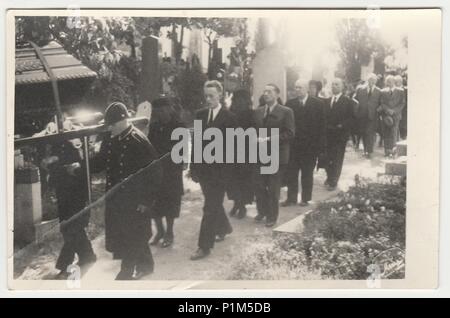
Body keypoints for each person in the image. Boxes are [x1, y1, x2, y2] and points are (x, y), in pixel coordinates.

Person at [90, 102, 161, 280]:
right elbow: (100, 162)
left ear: (122, 121)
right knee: (129, 233)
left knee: (133, 233)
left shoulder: (139, 141)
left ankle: (126, 272)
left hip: (136, 199)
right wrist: (80, 166)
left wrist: (146, 201)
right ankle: (146, 264)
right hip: (117, 199)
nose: (109, 128)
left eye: (112, 124)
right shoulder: (111, 139)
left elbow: (155, 172)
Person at [189, 80, 235, 260]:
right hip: (204, 170)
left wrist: (228, 174)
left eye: (212, 96)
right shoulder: (200, 115)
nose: (208, 99)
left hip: (221, 172)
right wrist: (193, 167)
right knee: (212, 202)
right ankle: (224, 227)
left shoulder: (229, 118)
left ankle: (204, 246)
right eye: (206, 96)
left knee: (209, 207)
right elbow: (196, 143)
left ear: (220, 96)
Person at [47, 139, 96, 279]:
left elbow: (78, 170)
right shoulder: (56, 149)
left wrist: (55, 162)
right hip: (63, 196)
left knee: (72, 230)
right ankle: (88, 255)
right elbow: (53, 176)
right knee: (71, 229)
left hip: (76, 195)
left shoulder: (71, 147)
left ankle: (65, 266)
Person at [254, 83, 295, 227]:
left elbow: (290, 133)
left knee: (273, 188)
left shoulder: (286, 111)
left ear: (277, 94)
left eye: (270, 92)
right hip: (260, 154)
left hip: (278, 155)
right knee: (259, 185)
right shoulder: (258, 111)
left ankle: (272, 216)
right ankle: (262, 210)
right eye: (264, 91)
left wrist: (270, 139)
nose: (266, 94)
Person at [147, 97, 185, 248]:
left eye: (163, 110)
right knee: (154, 203)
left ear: (170, 109)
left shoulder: (179, 126)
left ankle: (169, 232)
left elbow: (180, 152)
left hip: (171, 172)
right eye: (158, 111)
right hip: (155, 171)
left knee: (170, 203)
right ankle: (160, 231)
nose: (160, 114)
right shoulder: (154, 126)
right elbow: (149, 145)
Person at [283, 79, 326, 207]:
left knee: (307, 173)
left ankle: (305, 198)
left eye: (300, 88)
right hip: (294, 146)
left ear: (307, 89)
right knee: (292, 173)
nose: (297, 90)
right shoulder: (290, 104)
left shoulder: (318, 104)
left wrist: (321, 147)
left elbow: (322, 126)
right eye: (295, 87)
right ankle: (291, 198)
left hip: (310, 146)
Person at [227, 89, 256, 219]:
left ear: (246, 101)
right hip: (231, 151)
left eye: (241, 99)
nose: (238, 102)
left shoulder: (251, 114)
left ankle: (242, 206)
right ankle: (236, 203)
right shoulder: (229, 113)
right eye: (236, 99)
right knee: (232, 181)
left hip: (246, 152)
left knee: (244, 181)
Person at [323, 78, 354, 191]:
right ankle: (329, 176)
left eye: (337, 84)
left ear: (342, 87)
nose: (334, 86)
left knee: (336, 158)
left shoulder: (348, 101)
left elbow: (351, 118)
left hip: (340, 135)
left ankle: (333, 181)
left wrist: (342, 125)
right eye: (333, 84)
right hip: (328, 133)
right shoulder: (326, 101)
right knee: (326, 157)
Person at [354, 73, 382, 158]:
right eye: (370, 80)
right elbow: (354, 98)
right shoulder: (360, 89)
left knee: (370, 133)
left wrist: (378, 110)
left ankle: (369, 151)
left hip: (373, 115)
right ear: (367, 80)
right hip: (362, 114)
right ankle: (366, 149)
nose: (371, 82)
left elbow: (382, 103)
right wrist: (357, 107)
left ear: (375, 81)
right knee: (363, 132)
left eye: (373, 80)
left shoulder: (378, 91)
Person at [379, 75, 406, 157]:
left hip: (396, 115)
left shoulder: (400, 91)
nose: (388, 83)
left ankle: (394, 151)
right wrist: (387, 110)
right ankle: (387, 152)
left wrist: (394, 111)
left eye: (389, 81)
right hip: (386, 116)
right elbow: (382, 103)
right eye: (387, 81)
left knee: (394, 133)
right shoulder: (383, 91)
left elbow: (402, 103)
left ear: (394, 82)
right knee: (386, 133)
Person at [395, 75, 408, 140]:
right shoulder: (394, 90)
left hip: (404, 113)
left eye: (396, 82)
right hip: (395, 113)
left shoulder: (406, 90)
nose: (395, 83)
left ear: (400, 82)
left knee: (403, 130)